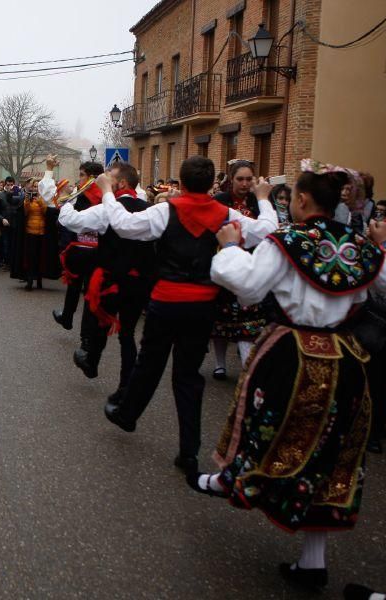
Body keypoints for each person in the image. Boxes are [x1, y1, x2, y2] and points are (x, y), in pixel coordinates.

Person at [190, 161, 386, 592]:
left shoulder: (287, 241)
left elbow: (248, 286)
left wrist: (227, 247)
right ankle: (312, 562)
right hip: (347, 359)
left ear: (300, 200)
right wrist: (383, 246)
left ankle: (234, 481)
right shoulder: (362, 246)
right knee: (332, 455)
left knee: (262, 429)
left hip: (293, 354)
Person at [101, 156, 278, 476]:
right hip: (202, 306)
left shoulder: (166, 210)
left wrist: (107, 193)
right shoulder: (226, 215)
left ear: (181, 183)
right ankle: (189, 451)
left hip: (165, 302)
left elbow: (124, 226)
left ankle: (128, 414)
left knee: (150, 364)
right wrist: (264, 200)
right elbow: (266, 231)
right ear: (212, 184)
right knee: (188, 376)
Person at [59, 164, 155, 393]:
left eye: (108, 178)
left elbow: (72, 221)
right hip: (140, 282)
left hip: (113, 280)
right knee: (128, 335)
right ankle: (125, 389)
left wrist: (65, 201)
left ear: (121, 183)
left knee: (100, 321)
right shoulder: (149, 208)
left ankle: (92, 361)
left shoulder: (108, 209)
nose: (103, 180)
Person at [211, 160, 269, 380]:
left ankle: (247, 367)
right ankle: (219, 364)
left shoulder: (259, 202)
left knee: (248, 319)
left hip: (250, 265)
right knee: (221, 320)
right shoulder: (220, 202)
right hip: (225, 263)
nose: (244, 184)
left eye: (248, 179)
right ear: (231, 179)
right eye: (240, 179)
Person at [54, 161, 104, 331]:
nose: (79, 179)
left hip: (83, 249)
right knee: (86, 291)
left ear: (91, 177)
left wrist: (66, 201)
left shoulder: (85, 195)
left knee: (77, 287)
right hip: (97, 251)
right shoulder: (106, 196)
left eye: (82, 175)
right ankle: (70, 321)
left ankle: (73, 323)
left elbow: (72, 221)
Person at [10, 158, 62, 290]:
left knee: (41, 257)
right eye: (33, 186)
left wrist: (40, 202)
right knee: (30, 257)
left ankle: (39, 279)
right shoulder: (27, 199)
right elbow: (25, 213)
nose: (34, 188)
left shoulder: (42, 200)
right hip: (30, 232)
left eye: (36, 186)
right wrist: (27, 202)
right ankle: (29, 280)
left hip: (42, 232)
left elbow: (46, 212)